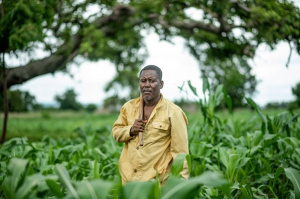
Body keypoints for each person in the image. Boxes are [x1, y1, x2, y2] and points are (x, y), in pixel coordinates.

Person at [112, 65, 189, 184]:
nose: (147, 84)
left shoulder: (174, 112)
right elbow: (116, 132)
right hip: (129, 181)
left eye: (152, 81)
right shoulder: (129, 107)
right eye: (143, 81)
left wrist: (182, 184)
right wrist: (131, 130)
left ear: (161, 84)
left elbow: (181, 153)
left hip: (156, 183)